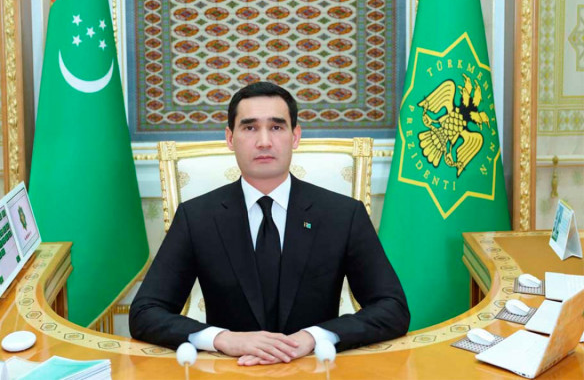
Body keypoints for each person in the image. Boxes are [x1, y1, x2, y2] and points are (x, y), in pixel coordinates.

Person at [129, 82, 409, 365]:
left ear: (295, 136)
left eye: (276, 127)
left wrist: (314, 337)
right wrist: (223, 338)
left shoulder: (342, 214)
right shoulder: (197, 217)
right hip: (230, 371)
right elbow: (145, 312)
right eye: (250, 127)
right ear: (230, 138)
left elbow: (392, 308)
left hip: (314, 368)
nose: (264, 141)